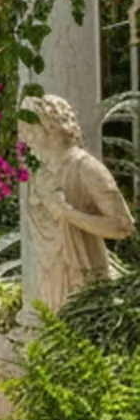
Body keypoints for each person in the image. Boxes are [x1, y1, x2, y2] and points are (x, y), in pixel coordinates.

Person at [22, 94, 134, 312]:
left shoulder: (86, 168)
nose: (25, 137)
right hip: (51, 284)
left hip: (85, 285)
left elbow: (122, 226)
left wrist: (69, 213)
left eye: (29, 129)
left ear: (50, 128)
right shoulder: (40, 174)